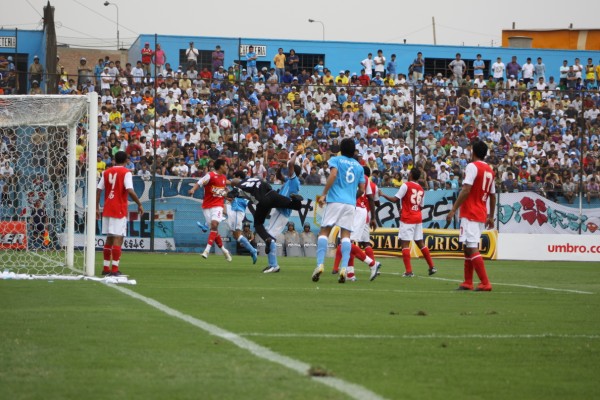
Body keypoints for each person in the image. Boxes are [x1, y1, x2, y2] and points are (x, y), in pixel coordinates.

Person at [311, 138, 381, 284]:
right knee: (346, 236)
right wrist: (351, 197)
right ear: (353, 150)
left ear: (341, 149)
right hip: (350, 204)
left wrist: (324, 194)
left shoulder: (336, 160)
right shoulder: (359, 166)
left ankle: (320, 265)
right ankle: (344, 268)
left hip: (335, 201)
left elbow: (333, 175)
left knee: (324, 232)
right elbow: (362, 189)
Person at [446, 140, 496, 291]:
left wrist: (453, 209)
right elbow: (493, 195)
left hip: (471, 212)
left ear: (473, 152)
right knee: (467, 247)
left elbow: (466, 189)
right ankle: (468, 282)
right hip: (481, 212)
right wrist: (491, 216)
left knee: (472, 246)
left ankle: (485, 282)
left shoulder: (472, 167)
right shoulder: (490, 170)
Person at [229, 172, 304, 266]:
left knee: (258, 224)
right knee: (293, 205)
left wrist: (228, 193)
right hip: (272, 194)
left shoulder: (239, 187)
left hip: (262, 201)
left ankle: (267, 239)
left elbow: (231, 194)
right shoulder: (250, 179)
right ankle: (296, 200)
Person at [379, 168, 437, 277]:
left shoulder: (405, 185)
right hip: (417, 218)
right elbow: (421, 206)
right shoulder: (421, 189)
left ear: (410, 175)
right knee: (420, 243)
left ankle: (409, 271)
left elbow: (395, 199)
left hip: (408, 218)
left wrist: (383, 195)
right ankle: (432, 266)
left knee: (405, 244)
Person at [96, 151, 144, 276]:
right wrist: (139, 203)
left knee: (110, 237)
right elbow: (130, 190)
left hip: (107, 207)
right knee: (118, 237)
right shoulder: (126, 172)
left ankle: (106, 268)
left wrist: (96, 207)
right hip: (119, 208)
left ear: (114, 160)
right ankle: (114, 269)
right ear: (126, 160)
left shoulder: (106, 172)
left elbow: (98, 190)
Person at [331, 166, 381, 281]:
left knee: (346, 242)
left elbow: (361, 192)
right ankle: (350, 274)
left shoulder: (348, 176)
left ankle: (372, 263)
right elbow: (371, 198)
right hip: (360, 211)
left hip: (355, 210)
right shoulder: (366, 179)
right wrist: (373, 217)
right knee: (346, 242)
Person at [263, 152, 302, 273]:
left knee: (270, 236)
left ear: (294, 172)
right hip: (279, 210)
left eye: (290, 170)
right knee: (268, 235)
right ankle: (271, 264)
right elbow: (280, 176)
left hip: (282, 212)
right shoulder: (289, 181)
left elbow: (290, 163)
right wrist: (279, 169)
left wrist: (296, 153)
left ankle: (274, 265)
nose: (288, 171)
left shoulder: (294, 181)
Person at [188, 159, 233, 261]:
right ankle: (224, 250)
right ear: (221, 166)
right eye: (225, 165)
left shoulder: (223, 178)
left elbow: (221, 192)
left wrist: (227, 196)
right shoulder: (210, 175)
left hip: (218, 205)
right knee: (214, 230)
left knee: (214, 224)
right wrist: (193, 190)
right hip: (207, 206)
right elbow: (199, 183)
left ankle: (206, 250)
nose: (227, 167)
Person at [223, 188, 258, 263]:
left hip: (237, 214)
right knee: (235, 236)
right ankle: (253, 250)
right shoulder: (243, 199)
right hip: (237, 214)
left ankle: (253, 250)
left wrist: (222, 193)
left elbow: (229, 197)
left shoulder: (237, 199)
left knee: (237, 235)